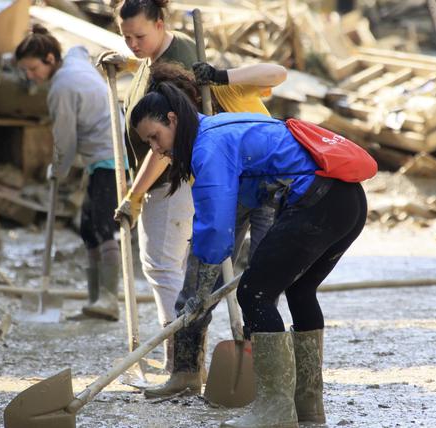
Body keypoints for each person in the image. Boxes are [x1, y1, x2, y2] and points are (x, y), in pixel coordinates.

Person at [129, 82, 368, 426]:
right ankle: (308, 409)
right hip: (348, 201)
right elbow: (245, 199)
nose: (157, 149)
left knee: (254, 294)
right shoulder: (218, 129)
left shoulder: (207, 146)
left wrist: (200, 292)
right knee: (299, 291)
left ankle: (273, 410)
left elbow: (214, 227)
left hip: (318, 202)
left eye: (155, 137)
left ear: (172, 119)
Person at [137, 61, 289, 398]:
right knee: (195, 281)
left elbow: (278, 72)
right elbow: (212, 227)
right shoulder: (184, 132)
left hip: (272, 184)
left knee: (261, 285)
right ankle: (186, 371)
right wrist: (134, 195)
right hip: (232, 189)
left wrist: (223, 76)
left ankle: (259, 380)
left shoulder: (218, 95)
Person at [98, 0, 199, 346]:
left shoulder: (178, 58)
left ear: (159, 23)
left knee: (164, 267)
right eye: (126, 37)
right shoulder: (156, 56)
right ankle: (180, 354)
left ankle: (179, 356)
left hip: (171, 180)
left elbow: (167, 146)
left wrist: (134, 194)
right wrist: (129, 64)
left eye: (139, 36)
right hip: (165, 181)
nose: (133, 44)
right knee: (168, 267)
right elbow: (155, 71)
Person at [15, 25, 122, 320]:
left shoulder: (62, 87)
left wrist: (58, 171)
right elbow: (80, 49)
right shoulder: (74, 62)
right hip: (102, 156)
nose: (30, 76)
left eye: (33, 68)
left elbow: (65, 140)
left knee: (103, 226)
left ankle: (109, 301)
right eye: (25, 70)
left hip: (110, 157)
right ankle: (95, 301)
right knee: (88, 228)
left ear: (50, 58)